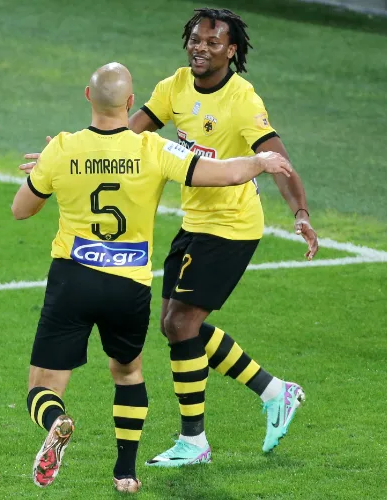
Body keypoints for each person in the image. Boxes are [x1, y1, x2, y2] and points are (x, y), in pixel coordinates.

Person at [11, 62, 293, 492]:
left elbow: (21, 209)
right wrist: (261, 160)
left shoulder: (63, 148)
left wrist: (46, 171)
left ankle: (56, 420)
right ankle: (125, 472)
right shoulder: (154, 148)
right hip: (128, 287)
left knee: (42, 386)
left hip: (73, 279)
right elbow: (221, 173)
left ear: (87, 96)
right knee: (128, 374)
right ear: (130, 101)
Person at [125, 7, 320, 466]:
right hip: (195, 222)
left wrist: (300, 213)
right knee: (173, 325)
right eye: (196, 39)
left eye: (212, 42)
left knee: (181, 326)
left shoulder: (242, 100)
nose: (200, 47)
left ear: (231, 51)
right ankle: (274, 391)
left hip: (232, 226)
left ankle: (194, 442)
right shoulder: (174, 86)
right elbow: (130, 132)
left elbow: (278, 160)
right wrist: (78, 150)